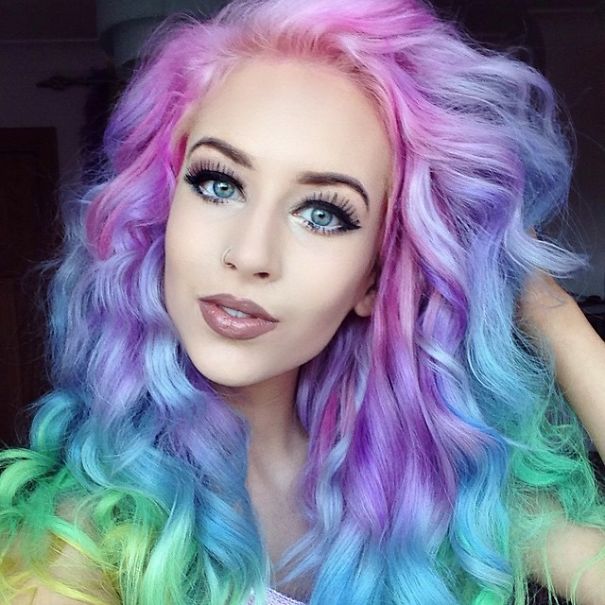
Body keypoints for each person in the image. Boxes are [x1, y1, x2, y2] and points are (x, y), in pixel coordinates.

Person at [1, 0, 604, 603]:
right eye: (218, 184)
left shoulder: (441, 489)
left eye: (321, 214)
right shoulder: (84, 534)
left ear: (376, 277)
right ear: (163, 210)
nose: (250, 253)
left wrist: (543, 301)